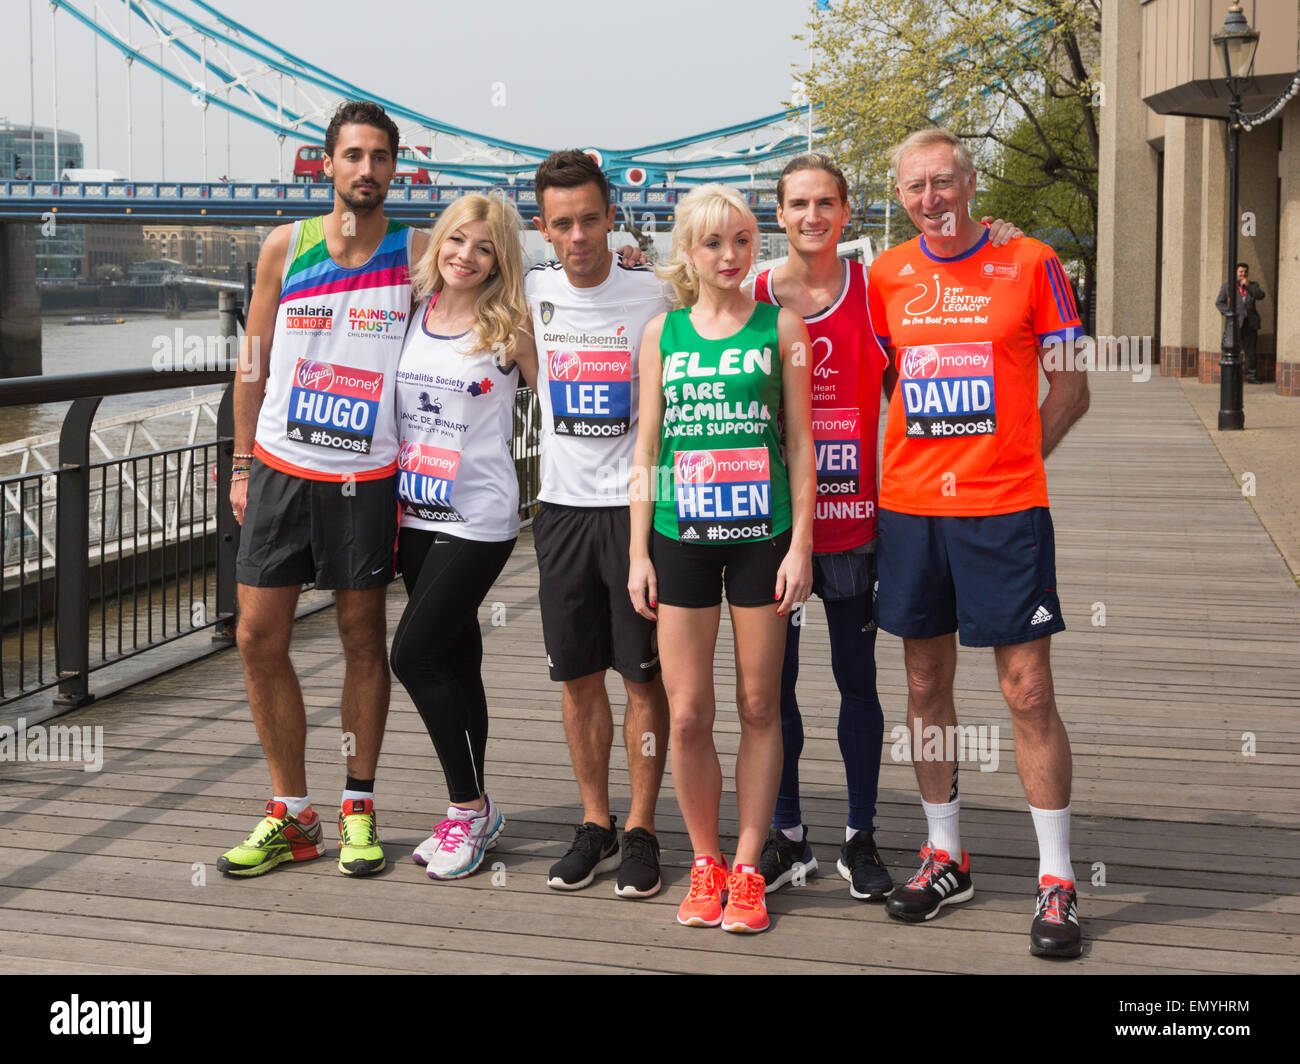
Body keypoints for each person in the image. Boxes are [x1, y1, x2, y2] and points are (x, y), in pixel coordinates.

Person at [754, 155, 1026, 902]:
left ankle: (858, 834)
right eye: (798, 203)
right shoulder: (748, 293)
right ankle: (789, 836)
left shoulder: (877, 291)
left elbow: (949, 307)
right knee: (770, 693)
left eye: (826, 203)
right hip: (768, 525)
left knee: (857, 683)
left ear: (847, 212)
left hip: (855, 522)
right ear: (778, 214)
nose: (812, 216)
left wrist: (998, 237)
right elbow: (673, 310)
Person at [867, 128, 1090, 958]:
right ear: (902, 195)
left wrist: (1015, 463)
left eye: (943, 183)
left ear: (969, 183)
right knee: (926, 682)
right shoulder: (885, 276)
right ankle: (944, 852)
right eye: (915, 188)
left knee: (1027, 692)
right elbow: (873, 378)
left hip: (1005, 513)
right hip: (912, 513)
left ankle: (1058, 881)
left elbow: (1072, 386)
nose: (931, 200)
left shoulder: (1030, 262)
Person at [220, 100, 426, 878]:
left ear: (392, 169)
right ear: (327, 164)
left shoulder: (419, 253)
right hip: (278, 467)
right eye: (353, 156)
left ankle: (358, 807)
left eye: (379, 157)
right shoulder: (286, 245)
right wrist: (241, 463)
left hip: (364, 477)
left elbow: (495, 284)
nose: (366, 170)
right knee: (256, 638)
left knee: (362, 642)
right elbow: (253, 362)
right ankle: (292, 813)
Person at [629, 183, 816, 933]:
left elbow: (802, 443)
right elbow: (646, 447)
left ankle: (748, 867)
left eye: (742, 240)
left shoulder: (782, 327)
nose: (731, 256)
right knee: (688, 716)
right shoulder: (662, 335)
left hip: (760, 540)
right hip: (680, 540)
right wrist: (638, 549)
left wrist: (802, 543)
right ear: (688, 253)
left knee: (759, 705)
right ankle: (704, 862)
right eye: (714, 244)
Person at [527, 151, 672, 898]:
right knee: (578, 677)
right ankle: (596, 823)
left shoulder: (654, 292)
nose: (578, 235)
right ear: (542, 229)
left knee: (642, 678)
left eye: (590, 219)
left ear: (611, 216)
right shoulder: (528, 292)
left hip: (637, 512)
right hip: (560, 512)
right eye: (563, 223)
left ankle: (644, 829)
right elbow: (435, 261)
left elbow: (735, 278)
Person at [389, 193, 539, 880]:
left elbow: (560, 402)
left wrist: (632, 262)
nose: (467, 257)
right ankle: (480, 814)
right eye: (457, 241)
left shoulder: (509, 327)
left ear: (500, 258)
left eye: (484, 248)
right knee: (454, 659)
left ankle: (467, 808)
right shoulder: (413, 314)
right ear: (438, 242)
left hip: (477, 517)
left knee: (412, 656)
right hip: (416, 512)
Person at [1216, 263, 1267, 384]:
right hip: (1235, 323)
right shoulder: (1227, 287)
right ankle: (1230, 376)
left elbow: (1261, 295)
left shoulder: (1253, 285)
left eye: (1245, 272)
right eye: (1240, 272)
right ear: (1236, 273)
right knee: (1231, 349)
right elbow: (1219, 303)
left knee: (1250, 351)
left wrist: (1248, 285)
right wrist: (1229, 313)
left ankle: (1251, 376)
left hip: (1250, 323)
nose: (1243, 274)